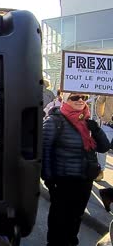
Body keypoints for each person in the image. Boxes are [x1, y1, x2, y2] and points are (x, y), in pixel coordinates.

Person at [42, 92, 110, 246]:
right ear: (65, 100)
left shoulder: (87, 120)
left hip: (84, 180)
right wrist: (49, 181)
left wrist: (97, 130)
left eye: (84, 98)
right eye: (74, 97)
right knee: (59, 221)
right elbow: (44, 152)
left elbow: (104, 147)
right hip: (62, 181)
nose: (80, 100)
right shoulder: (54, 121)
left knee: (76, 218)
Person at [95, 95, 113, 181]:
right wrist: (101, 116)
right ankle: (100, 170)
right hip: (108, 123)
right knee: (102, 148)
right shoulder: (109, 85)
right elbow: (100, 100)